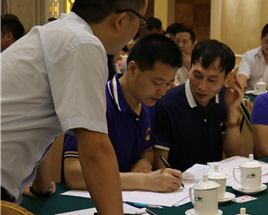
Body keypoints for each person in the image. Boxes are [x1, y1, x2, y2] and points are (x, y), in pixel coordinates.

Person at [1, 0, 180, 215]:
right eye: (140, 22)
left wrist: (41, 185)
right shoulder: (83, 44)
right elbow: (95, 149)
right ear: (121, 20)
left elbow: (38, 121)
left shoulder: (58, 33)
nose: (137, 32)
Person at [62, 34, 184, 192]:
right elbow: (73, 175)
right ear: (132, 68)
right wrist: (143, 180)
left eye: (168, 84)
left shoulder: (148, 104)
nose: (162, 91)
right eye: (157, 83)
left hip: (128, 198)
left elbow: (147, 150)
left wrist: (145, 162)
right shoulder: (95, 102)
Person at [153, 39, 244, 171]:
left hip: (214, 178)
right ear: (190, 67)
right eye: (197, 75)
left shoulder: (225, 98)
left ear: (227, 78)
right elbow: (160, 164)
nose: (202, 86)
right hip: (179, 179)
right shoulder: (166, 103)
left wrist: (231, 111)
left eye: (212, 80)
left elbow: (233, 155)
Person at [236, 21, 268, 91]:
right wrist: (241, 82)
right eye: (267, 43)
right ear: (261, 37)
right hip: (252, 95)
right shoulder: (249, 56)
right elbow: (242, 74)